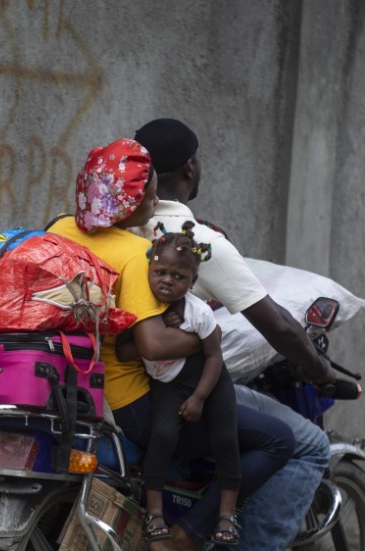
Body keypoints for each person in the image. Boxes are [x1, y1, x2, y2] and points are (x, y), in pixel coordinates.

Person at [48, 137, 295, 551]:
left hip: (77, 386)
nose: (156, 198)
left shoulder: (59, 227)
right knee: (279, 439)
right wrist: (207, 339)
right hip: (134, 405)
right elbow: (153, 344)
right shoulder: (137, 252)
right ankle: (186, 537)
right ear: (131, 202)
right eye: (149, 192)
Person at [133, 118, 337, 550]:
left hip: (119, 386)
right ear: (189, 168)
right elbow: (279, 326)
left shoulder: (115, 227)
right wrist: (319, 370)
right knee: (309, 445)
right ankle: (195, 536)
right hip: (172, 389)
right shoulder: (197, 243)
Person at [116, 222, 241, 546]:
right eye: (161, 273)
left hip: (208, 380)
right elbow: (124, 350)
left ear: (193, 281)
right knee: (163, 435)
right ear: (150, 269)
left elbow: (214, 356)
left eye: (179, 277)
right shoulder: (144, 310)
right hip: (168, 384)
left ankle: (227, 514)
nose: (167, 281)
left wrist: (200, 397)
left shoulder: (199, 314)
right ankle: (154, 514)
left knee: (225, 438)